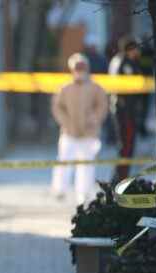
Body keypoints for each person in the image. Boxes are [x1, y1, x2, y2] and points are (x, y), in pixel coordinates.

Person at [50, 53, 108, 204]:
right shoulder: (65, 88)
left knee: (86, 165)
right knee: (63, 161)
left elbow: (102, 106)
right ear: (71, 69)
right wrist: (65, 122)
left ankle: (83, 193)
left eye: (82, 67)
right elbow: (57, 107)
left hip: (89, 134)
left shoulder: (96, 87)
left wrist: (94, 119)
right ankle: (60, 190)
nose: (80, 70)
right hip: (69, 133)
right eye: (77, 67)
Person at [109, 36, 143, 181]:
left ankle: (120, 177)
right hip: (125, 112)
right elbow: (123, 88)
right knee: (126, 147)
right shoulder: (125, 63)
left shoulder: (119, 61)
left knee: (126, 147)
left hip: (125, 110)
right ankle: (119, 179)